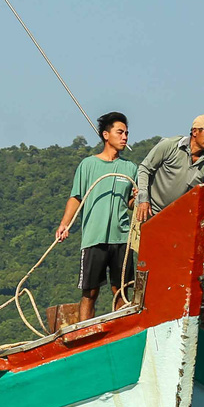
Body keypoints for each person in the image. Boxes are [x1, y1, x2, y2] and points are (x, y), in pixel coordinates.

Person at [56, 112, 139, 321]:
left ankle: (122, 332)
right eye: (120, 132)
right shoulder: (88, 165)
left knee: (120, 291)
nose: (125, 137)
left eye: (126, 133)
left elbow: (130, 204)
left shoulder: (130, 168)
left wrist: (136, 199)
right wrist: (64, 225)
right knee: (90, 292)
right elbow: (76, 197)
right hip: (94, 238)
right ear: (105, 135)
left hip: (122, 239)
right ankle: (85, 333)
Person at [134, 114, 204, 231]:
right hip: (148, 212)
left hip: (175, 221)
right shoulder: (170, 146)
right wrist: (143, 200)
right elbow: (145, 169)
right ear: (195, 131)